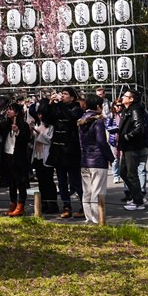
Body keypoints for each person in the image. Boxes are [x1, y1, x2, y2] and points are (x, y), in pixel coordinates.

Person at [47, 86, 84, 219]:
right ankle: (66, 206)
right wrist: (50, 104)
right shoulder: (57, 107)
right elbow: (48, 119)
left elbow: (70, 118)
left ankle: (84, 205)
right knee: (61, 181)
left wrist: (60, 106)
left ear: (72, 97)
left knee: (75, 180)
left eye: (65, 94)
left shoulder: (77, 109)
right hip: (58, 149)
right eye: (61, 94)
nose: (62, 96)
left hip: (71, 149)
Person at [78, 94, 114, 224]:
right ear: (98, 106)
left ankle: (89, 217)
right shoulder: (98, 121)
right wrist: (111, 157)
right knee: (97, 191)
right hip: (98, 160)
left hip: (85, 159)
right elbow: (101, 142)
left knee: (86, 191)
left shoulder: (81, 120)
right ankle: (98, 218)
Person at [0, 102, 30, 216]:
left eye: (11, 110)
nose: (8, 111)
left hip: (19, 158)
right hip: (7, 156)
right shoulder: (6, 124)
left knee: (21, 183)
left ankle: (21, 205)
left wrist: (18, 131)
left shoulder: (23, 125)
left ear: (17, 112)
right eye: (8, 109)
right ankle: (12, 204)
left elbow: (26, 139)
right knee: (11, 183)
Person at [118, 88, 148, 211]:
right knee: (123, 172)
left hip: (132, 147)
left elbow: (139, 128)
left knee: (132, 174)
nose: (122, 97)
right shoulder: (127, 110)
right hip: (127, 146)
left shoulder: (135, 109)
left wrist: (126, 136)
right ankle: (136, 196)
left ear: (131, 99)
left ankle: (138, 201)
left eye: (125, 96)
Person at [29, 100, 58, 214]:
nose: (40, 116)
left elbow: (48, 140)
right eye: (38, 114)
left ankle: (52, 203)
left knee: (49, 181)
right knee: (41, 182)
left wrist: (37, 132)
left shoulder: (50, 127)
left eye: (42, 114)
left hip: (46, 157)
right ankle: (44, 203)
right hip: (37, 156)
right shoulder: (38, 125)